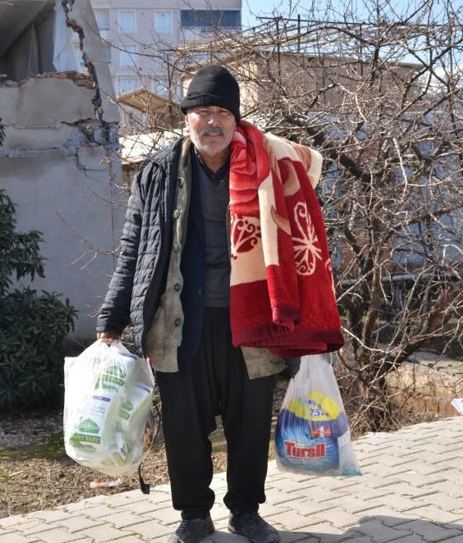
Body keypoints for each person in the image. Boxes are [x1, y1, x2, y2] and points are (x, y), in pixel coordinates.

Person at [96, 65, 339, 543]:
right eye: (201, 111)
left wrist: (311, 319)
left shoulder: (270, 166)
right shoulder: (157, 174)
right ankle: (193, 514)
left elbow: (304, 240)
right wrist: (112, 317)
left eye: (222, 112)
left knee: (250, 423)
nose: (212, 122)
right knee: (184, 425)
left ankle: (246, 512)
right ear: (186, 118)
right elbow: (134, 249)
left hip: (255, 321)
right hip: (178, 320)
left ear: (236, 119)